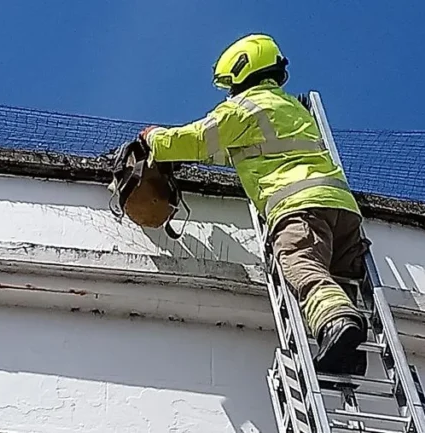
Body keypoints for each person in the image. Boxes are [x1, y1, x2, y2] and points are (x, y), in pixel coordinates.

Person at [138, 33, 369, 375]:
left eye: (229, 85)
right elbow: (242, 152)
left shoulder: (245, 107)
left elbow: (201, 139)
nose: (229, 93)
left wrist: (154, 139)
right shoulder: (291, 109)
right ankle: (347, 356)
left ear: (241, 73)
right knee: (337, 277)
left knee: (299, 262)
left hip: (298, 207)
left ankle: (336, 321)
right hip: (342, 212)